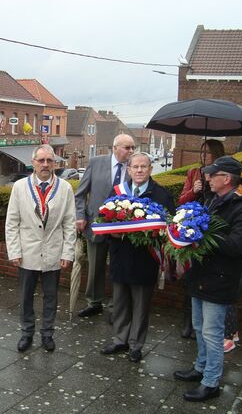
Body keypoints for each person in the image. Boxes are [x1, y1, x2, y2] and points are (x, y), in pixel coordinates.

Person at [174, 156, 242, 402]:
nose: (207, 178)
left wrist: (202, 235)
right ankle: (200, 367)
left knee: (212, 333)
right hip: (201, 275)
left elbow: (236, 245)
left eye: (213, 174)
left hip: (220, 278)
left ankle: (211, 382)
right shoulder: (213, 200)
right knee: (200, 327)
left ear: (227, 179)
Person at [101, 153, 175, 362]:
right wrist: (111, 234)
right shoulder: (117, 193)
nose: (140, 170)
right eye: (136, 167)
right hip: (121, 256)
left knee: (141, 305)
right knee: (120, 301)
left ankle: (136, 344)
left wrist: (155, 234)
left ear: (151, 169)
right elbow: (103, 219)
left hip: (145, 259)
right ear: (129, 170)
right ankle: (119, 339)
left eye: (144, 167)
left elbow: (169, 227)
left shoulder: (161, 195)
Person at [6, 144, 76, 352]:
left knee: (51, 296)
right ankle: (27, 333)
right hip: (27, 251)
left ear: (55, 163)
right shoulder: (19, 187)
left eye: (49, 161)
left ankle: (47, 334)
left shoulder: (65, 188)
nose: (45, 165)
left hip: (53, 251)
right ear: (33, 162)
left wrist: (67, 253)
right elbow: (12, 223)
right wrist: (15, 251)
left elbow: (69, 223)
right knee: (26, 296)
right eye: (41, 160)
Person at [74, 134, 136, 317]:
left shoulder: (135, 168)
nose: (131, 151)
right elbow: (80, 193)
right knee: (95, 266)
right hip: (96, 224)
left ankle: (117, 307)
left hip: (122, 228)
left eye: (133, 148)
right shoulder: (95, 162)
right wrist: (80, 216)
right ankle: (94, 302)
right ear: (115, 147)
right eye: (127, 147)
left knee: (120, 267)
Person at [177, 139, 225, 339]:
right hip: (193, 228)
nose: (203, 156)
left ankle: (207, 325)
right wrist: (193, 190)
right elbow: (181, 201)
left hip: (211, 230)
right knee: (190, 276)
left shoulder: (221, 175)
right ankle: (188, 321)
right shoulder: (194, 173)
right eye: (202, 152)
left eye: (208, 152)